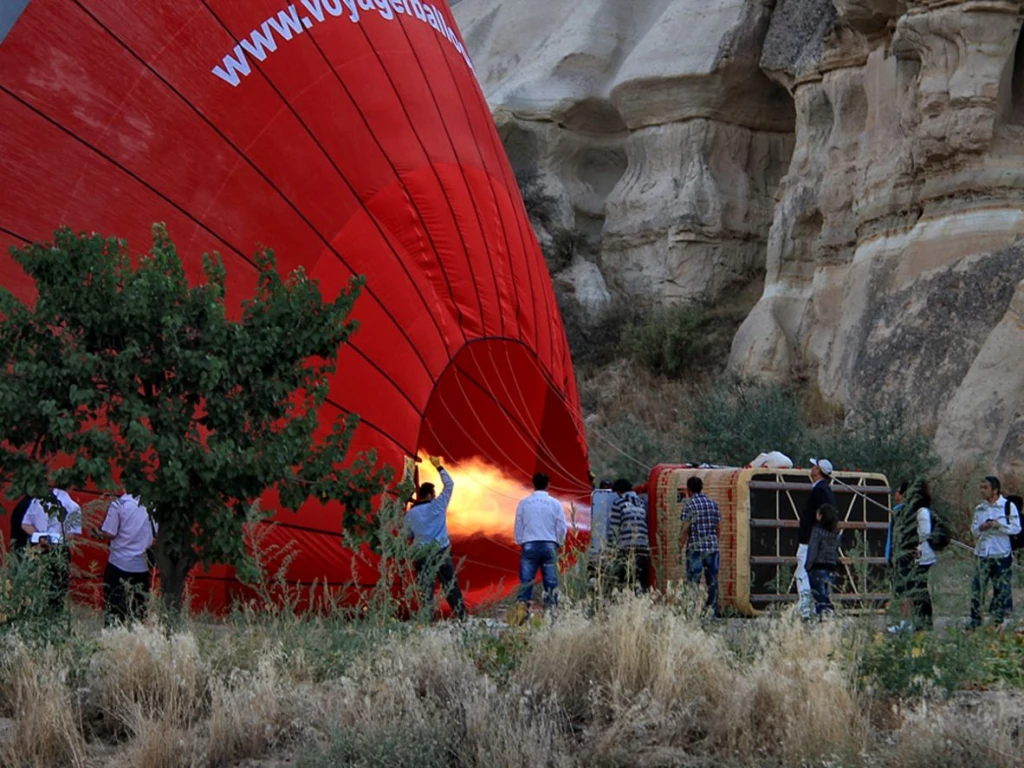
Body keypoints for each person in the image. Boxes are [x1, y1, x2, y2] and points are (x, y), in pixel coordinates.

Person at [405, 456, 466, 620]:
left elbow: (407, 535)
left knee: (426, 590)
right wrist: (439, 467)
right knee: (450, 586)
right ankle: (461, 616)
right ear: (430, 495)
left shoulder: (411, 514)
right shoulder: (438, 505)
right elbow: (450, 485)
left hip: (422, 553)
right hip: (441, 551)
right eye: (434, 493)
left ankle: (427, 620)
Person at [92, 493, 156, 625]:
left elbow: (110, 532)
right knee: (138, 614)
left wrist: (97, 533)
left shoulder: (119, 504)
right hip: (142, 567)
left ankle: (114, 635)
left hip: (118, 564)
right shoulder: (152, 506)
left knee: (113, 610)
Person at [969, 475, 1021, 630]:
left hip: (1001, 554)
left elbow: (1016, 528)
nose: (982, 491)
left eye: (985, 488)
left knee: (1001, 589)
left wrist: (999, 526)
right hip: (983, 554)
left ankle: (998, 622)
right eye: (981, 487)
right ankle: (975, 621)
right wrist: (981, 528)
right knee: (978, 588)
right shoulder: (980, 508)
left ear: (995, 490)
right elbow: (974, 530)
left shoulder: (1008, 506)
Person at [21, 488, 82, 611]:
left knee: (32, 585)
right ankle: (54, 613)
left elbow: (25, 524)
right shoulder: (73, 506)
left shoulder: (36, 501)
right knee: (58, 589)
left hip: (38, 548)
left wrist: (41, 538)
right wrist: (55, 541)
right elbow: (72, 533)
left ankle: (30, 611)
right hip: (59, 550)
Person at [514, 473, 567, 613]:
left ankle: (522, 612)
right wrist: (559, 542)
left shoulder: (524, 503)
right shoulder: (555, 503)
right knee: (550, 581)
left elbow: (518, 524)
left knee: (526, 581)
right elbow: (561, 526)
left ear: (533, 484)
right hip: (549, 544)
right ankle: (551, 612)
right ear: (548, 484)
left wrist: (520, 540)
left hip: (529, 544)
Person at [889, 479, 936, 633]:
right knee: (914, 589)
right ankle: (918, 622)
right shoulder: (910, 510)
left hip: (921, 556)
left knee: (917, 590)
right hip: (915, 555)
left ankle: (922, 622)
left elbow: (924, 532)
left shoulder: (920, 511)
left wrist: (913, 544)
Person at [796, 458, 836, 619]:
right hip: (816, 540)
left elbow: (824, 516)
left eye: (814, 466)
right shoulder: (825, 489)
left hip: (810, 540)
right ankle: (815, 609)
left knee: (803, 573)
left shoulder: (820, 491)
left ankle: (806, 610)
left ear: (818, 470)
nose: (811, 468)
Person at [680, 476, 721, 617]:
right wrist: (715, 542)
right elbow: (718, 528)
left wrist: (679, 548)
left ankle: (693, 611)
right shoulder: (713, 504)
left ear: (688, 489)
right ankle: (711, 612)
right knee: (712, 581)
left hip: (695, 549)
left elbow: (684, 530)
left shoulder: (689, 505)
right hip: (712, 548)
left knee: (693, 582)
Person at [608, 479, 651, 592]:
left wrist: (609, 549)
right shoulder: (641, 503)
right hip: (643, 548)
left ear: (618, 491)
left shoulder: (618, 503)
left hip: (626, 549)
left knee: (624, 583)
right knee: (641, 583)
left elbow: (614, 529)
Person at [806, 504, 841, 617]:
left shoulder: (817, 531)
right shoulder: (835, 534)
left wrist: (808, 566)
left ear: (821, 515)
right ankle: (830, 622)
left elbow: (812, 550)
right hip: (831, 569)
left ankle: (822, 622)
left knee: (819, 601)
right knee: (828, 600)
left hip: (818, 568)